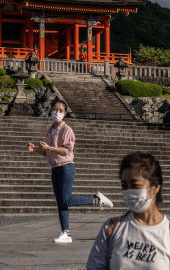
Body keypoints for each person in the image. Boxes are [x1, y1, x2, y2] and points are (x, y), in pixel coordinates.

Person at [86, 152, 170, 270]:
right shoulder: (111, 229)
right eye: (124, 185)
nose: (128, 190)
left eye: (135, 185)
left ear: (155, 188)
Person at [27, 99, 113, 243]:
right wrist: (35, 150)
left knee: (66, 199)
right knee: (61, 202)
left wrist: (50, 148)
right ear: (50, 111)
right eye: (55, 109)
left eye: (61, 110)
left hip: (66, 167)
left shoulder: (67, 130)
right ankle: (66, 233)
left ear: (65, 113)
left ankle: (96, 200)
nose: (57, 112)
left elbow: (66, 150)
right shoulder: (50, 131)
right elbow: (48, 153)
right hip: (55, 169)